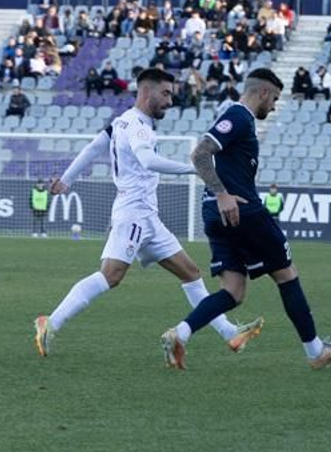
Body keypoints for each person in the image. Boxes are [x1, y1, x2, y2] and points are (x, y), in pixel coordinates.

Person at [31, 69, 263, 359]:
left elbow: (93, 148)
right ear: (145, 92)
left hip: (147, 216)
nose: (170, 100)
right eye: (165, 93)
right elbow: (148, 160)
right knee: (111, 276)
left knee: (190, 273)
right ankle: (50, 323)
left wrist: (66, 180)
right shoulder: (138, 126)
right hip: (134, 213)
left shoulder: (121, 122)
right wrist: (195, 169)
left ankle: (230, 333)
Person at [159, 68, 331, 371]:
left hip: (214, 213)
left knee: (233, 292)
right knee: (287, 274)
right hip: (241, 209)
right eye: (274, 98)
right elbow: (199, 154)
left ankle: (180, 333)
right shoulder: (238, 116)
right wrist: (223, 193)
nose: (274, 106)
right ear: (263, 92)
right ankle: (315, 350)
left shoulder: (239, 119)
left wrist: (219, 197)